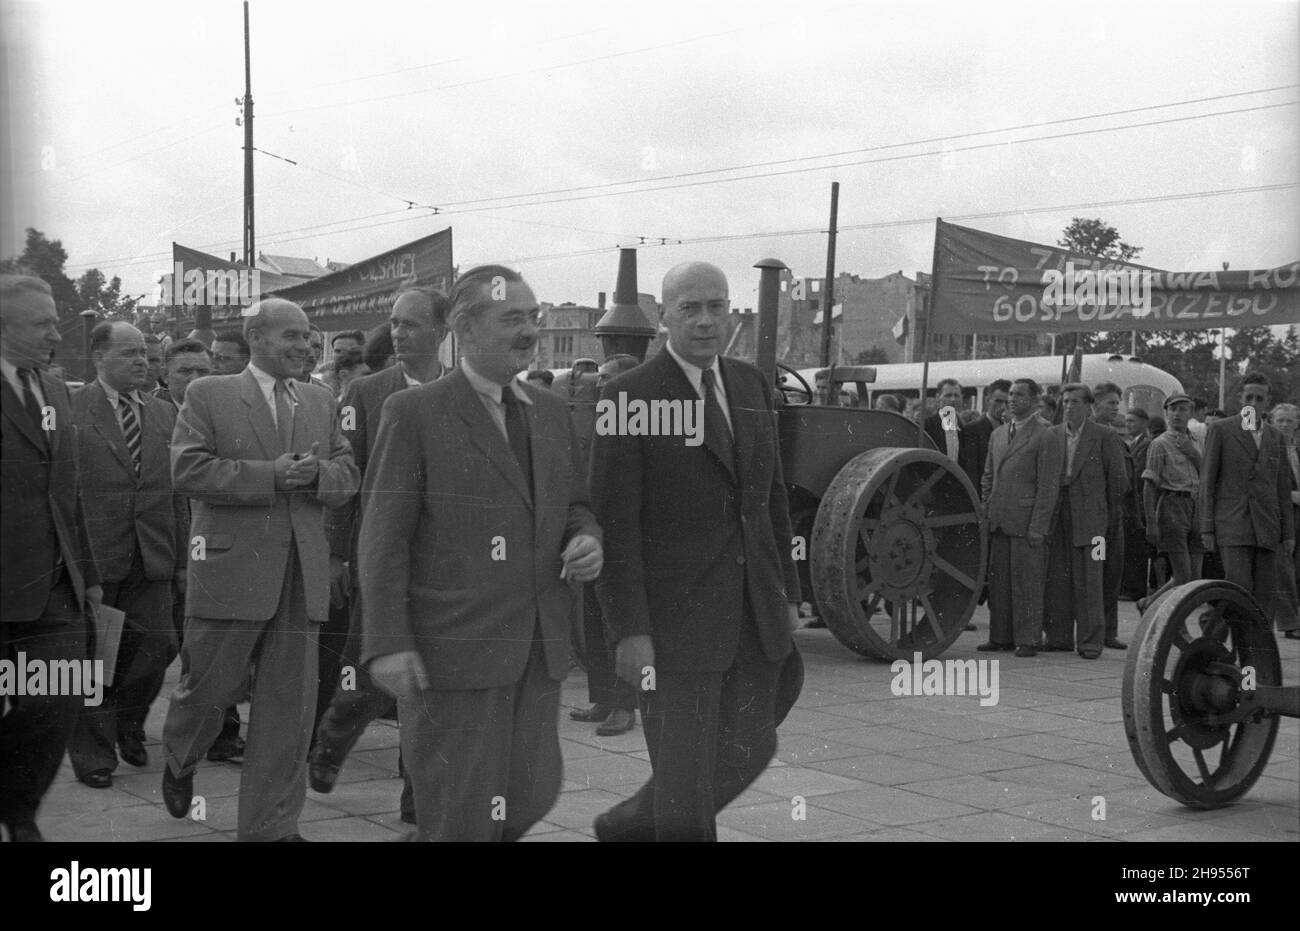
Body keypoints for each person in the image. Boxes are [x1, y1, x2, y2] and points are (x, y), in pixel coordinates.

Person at [359, 266, 602, 842]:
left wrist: (586, 538)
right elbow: (383, 537)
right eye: (512, 319)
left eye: (533, 319)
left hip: (538, 650)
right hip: (455, 653)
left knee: (531, 791)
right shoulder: (415, 413)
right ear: (464, 329)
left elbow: (574, 504)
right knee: (462, 810)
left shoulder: (547, 410)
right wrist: (389, 643)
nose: (529, 332)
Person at [590, 261, 801, 842]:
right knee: (684, 788)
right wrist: (628, 629)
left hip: (752, 616)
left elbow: (771, 498)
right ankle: (641, 825)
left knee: (752, 748)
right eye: (690, 308)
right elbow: (615, 526)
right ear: (663, 316)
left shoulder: (751, 384)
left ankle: (628, 825)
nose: (706, 321)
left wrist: (787, 593)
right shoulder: (626, 397)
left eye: (717, 306)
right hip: (672, 627)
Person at [160, 298, 359, 842]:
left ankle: (273, 827)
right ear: (255, 337)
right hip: (232, 569)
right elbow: (187, 469)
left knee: (287, 709)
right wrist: (269, 474)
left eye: (308, 336)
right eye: (292, 335)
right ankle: (181, 756)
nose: (305, 345)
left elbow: (348, 472)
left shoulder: (321, 399)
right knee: (207, 688)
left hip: (302, 573)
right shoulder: (209, 394)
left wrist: (321, 475)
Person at [311, 286, 451, 823]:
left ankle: (416, 796)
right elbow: (348, 479)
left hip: (442, 563)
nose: (397, 332)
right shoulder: (368, 394)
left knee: (431, 682)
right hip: (382, 556)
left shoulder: (462, 392)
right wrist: (337, 556)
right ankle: (331, 741)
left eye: (411, 324)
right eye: (393, 323)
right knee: (370, 671)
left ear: (442, 332)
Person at [0, 275, 102, 841]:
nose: (54, 334)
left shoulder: (55, 390)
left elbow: (68, 490)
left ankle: (18, 809)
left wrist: (86, 574)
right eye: (41, 323)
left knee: (56, 702)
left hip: (54, 584)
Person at [67, 322, 187, 787]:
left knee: (162, 645)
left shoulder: (163, 414)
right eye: (130, 353)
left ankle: (127, 723)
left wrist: (181, 561)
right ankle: (93, 755)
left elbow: (177, 491)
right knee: (94, 657)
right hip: (95, 556)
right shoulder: (74, 411)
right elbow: (63, 493)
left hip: (153, 553)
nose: (142, 361)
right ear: (100, 358)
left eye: (146, 353)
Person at [570, 353, 641, 737]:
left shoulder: (641, 422)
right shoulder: (597, 417)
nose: (599, 385)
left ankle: (625, 706)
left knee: (621, 623)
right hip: (594, 532)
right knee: (593, 620)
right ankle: (603, 698)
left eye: (608, 380)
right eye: (598, 380)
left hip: (625, 538)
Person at [1199, 372, 1294, 633]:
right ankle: (1213, 640)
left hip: (1267, 529)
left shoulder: (1276, 438)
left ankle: (1257, 660)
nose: (1253, 402)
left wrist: (1288, 534)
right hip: (1232, 526)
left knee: (1264, 598)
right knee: (1237, 590)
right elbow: (1207, 482)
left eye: (1259, 398)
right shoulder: (1221, 430)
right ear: (1240, 399)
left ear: (1268, 402)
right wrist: (1206, 528)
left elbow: (1282, 490)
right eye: (1248, 396)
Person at [1042, 384, 1127, 658]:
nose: (1068, 406)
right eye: (1065, 401)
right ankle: (1059, 637)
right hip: (1058, 515)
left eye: (1075, 401)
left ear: (1088, 406)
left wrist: (1105, 516)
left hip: (1094, 520)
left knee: (1091, 579)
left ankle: (1090, 642)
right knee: (1058, 577)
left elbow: (1118, 482)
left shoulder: (1104, 436)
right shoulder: (1052, 435)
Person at [979, 378, 1061, 657]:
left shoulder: (1046, 434)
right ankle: (1000, 636)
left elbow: (1049, 485)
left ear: (1036, 399)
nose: (1012, 400)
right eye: (1010, 395)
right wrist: (987, 506)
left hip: (1027, 522)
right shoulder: (999, 434)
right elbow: (989, 475)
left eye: (1020, 395)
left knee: (1028, 583)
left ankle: (1028, 639)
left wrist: (1039, 526)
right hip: (1000, 519)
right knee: (999, 583)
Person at [1141, 394, 1205, 598]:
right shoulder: (1159, 444)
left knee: (1195, 577)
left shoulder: (1198, 442)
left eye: (1183, 409)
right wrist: (1151, 523)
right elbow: (1149, 485)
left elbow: (1208, 474)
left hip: (1197, 507)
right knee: (1182, 575)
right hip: (1172, 505)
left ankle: (1150, 604)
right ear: (1166, 412)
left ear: (1191, 413)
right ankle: (1171, 620)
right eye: (1172, 409)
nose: (1177, 413)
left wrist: (1192, 452)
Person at [1092, 381, 1128, 649]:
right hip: (1102, 518)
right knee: (1101, 572)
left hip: (1114, 516)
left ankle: (1107, 629)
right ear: (1095, 405)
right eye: (1110, 403)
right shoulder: (1101, 435)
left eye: (1117, 403)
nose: (1116, 408)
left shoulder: (1113, 433)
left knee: (1110, 572)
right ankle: (1101, 630)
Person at [1268, 403, 1300, 638]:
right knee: (1283, 568)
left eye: (1289, 420)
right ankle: (1290, 623)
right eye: (1280, 420)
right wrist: (1291, 496)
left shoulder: (1295, 449)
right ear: (1272, 422)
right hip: (1278, 513)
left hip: (1296, 513)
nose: (1285, 425)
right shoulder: (1268, 449)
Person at [1120, 407, 1152, 600]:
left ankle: (1135, 589)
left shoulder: (1146, 445)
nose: (1128, 424)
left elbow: (1139, 472)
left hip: (1139, 504)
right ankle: (1129, 586)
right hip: (1132, 504)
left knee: (1136, 550)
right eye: (1127, 421)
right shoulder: (1133, 444)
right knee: (1130, 548)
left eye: (1132, 421)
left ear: (1143, 423)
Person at [959, 379, 1010, 491]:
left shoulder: (1011, 428)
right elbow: (971, 470)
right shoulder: (973, 429)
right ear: (988, 400)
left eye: (1007, 402)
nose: (1003, 407)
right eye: (998, 401)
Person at [153, 338, 213, 410]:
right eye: (185, 371)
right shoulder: (149, 412)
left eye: (203, 371)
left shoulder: (222, 411)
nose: (195, 379)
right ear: (165, 375)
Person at [923, 378, 965, 463]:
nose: (953, 399)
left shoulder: (964, 428)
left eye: (956, 395)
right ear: (938, 397)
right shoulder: (926, 426)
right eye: (948, 395)